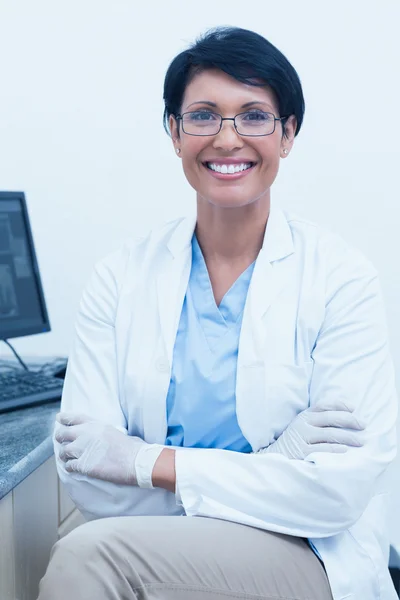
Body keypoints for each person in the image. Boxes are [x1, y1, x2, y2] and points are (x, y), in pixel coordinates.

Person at [38, 26, 398, 600]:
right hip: (160, 542)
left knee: (87, 556)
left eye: (254, 116)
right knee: (92, 546)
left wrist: (141, 460)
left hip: (304, 553)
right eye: (203, 115)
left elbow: (336, 495)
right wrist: (275, 465)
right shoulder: (119, 276)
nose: (227, 139)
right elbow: (90, 480)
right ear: (175, 133)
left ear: (288, 135)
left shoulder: (340, 279)